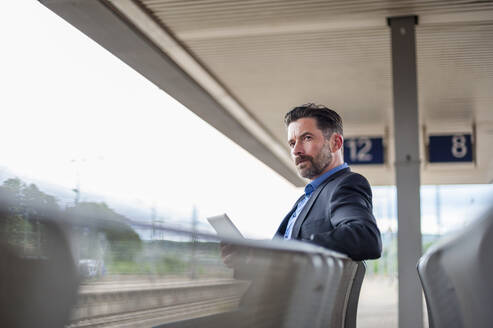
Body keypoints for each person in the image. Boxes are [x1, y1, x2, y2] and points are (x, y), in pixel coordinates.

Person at [222, 103, 381, 266]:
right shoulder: (304, 200)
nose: (296, 150)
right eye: (292, 143)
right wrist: (250, 256)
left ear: (336, 143)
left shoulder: (346, 185)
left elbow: (365, 237)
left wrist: (280, 249)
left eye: (307, 138)